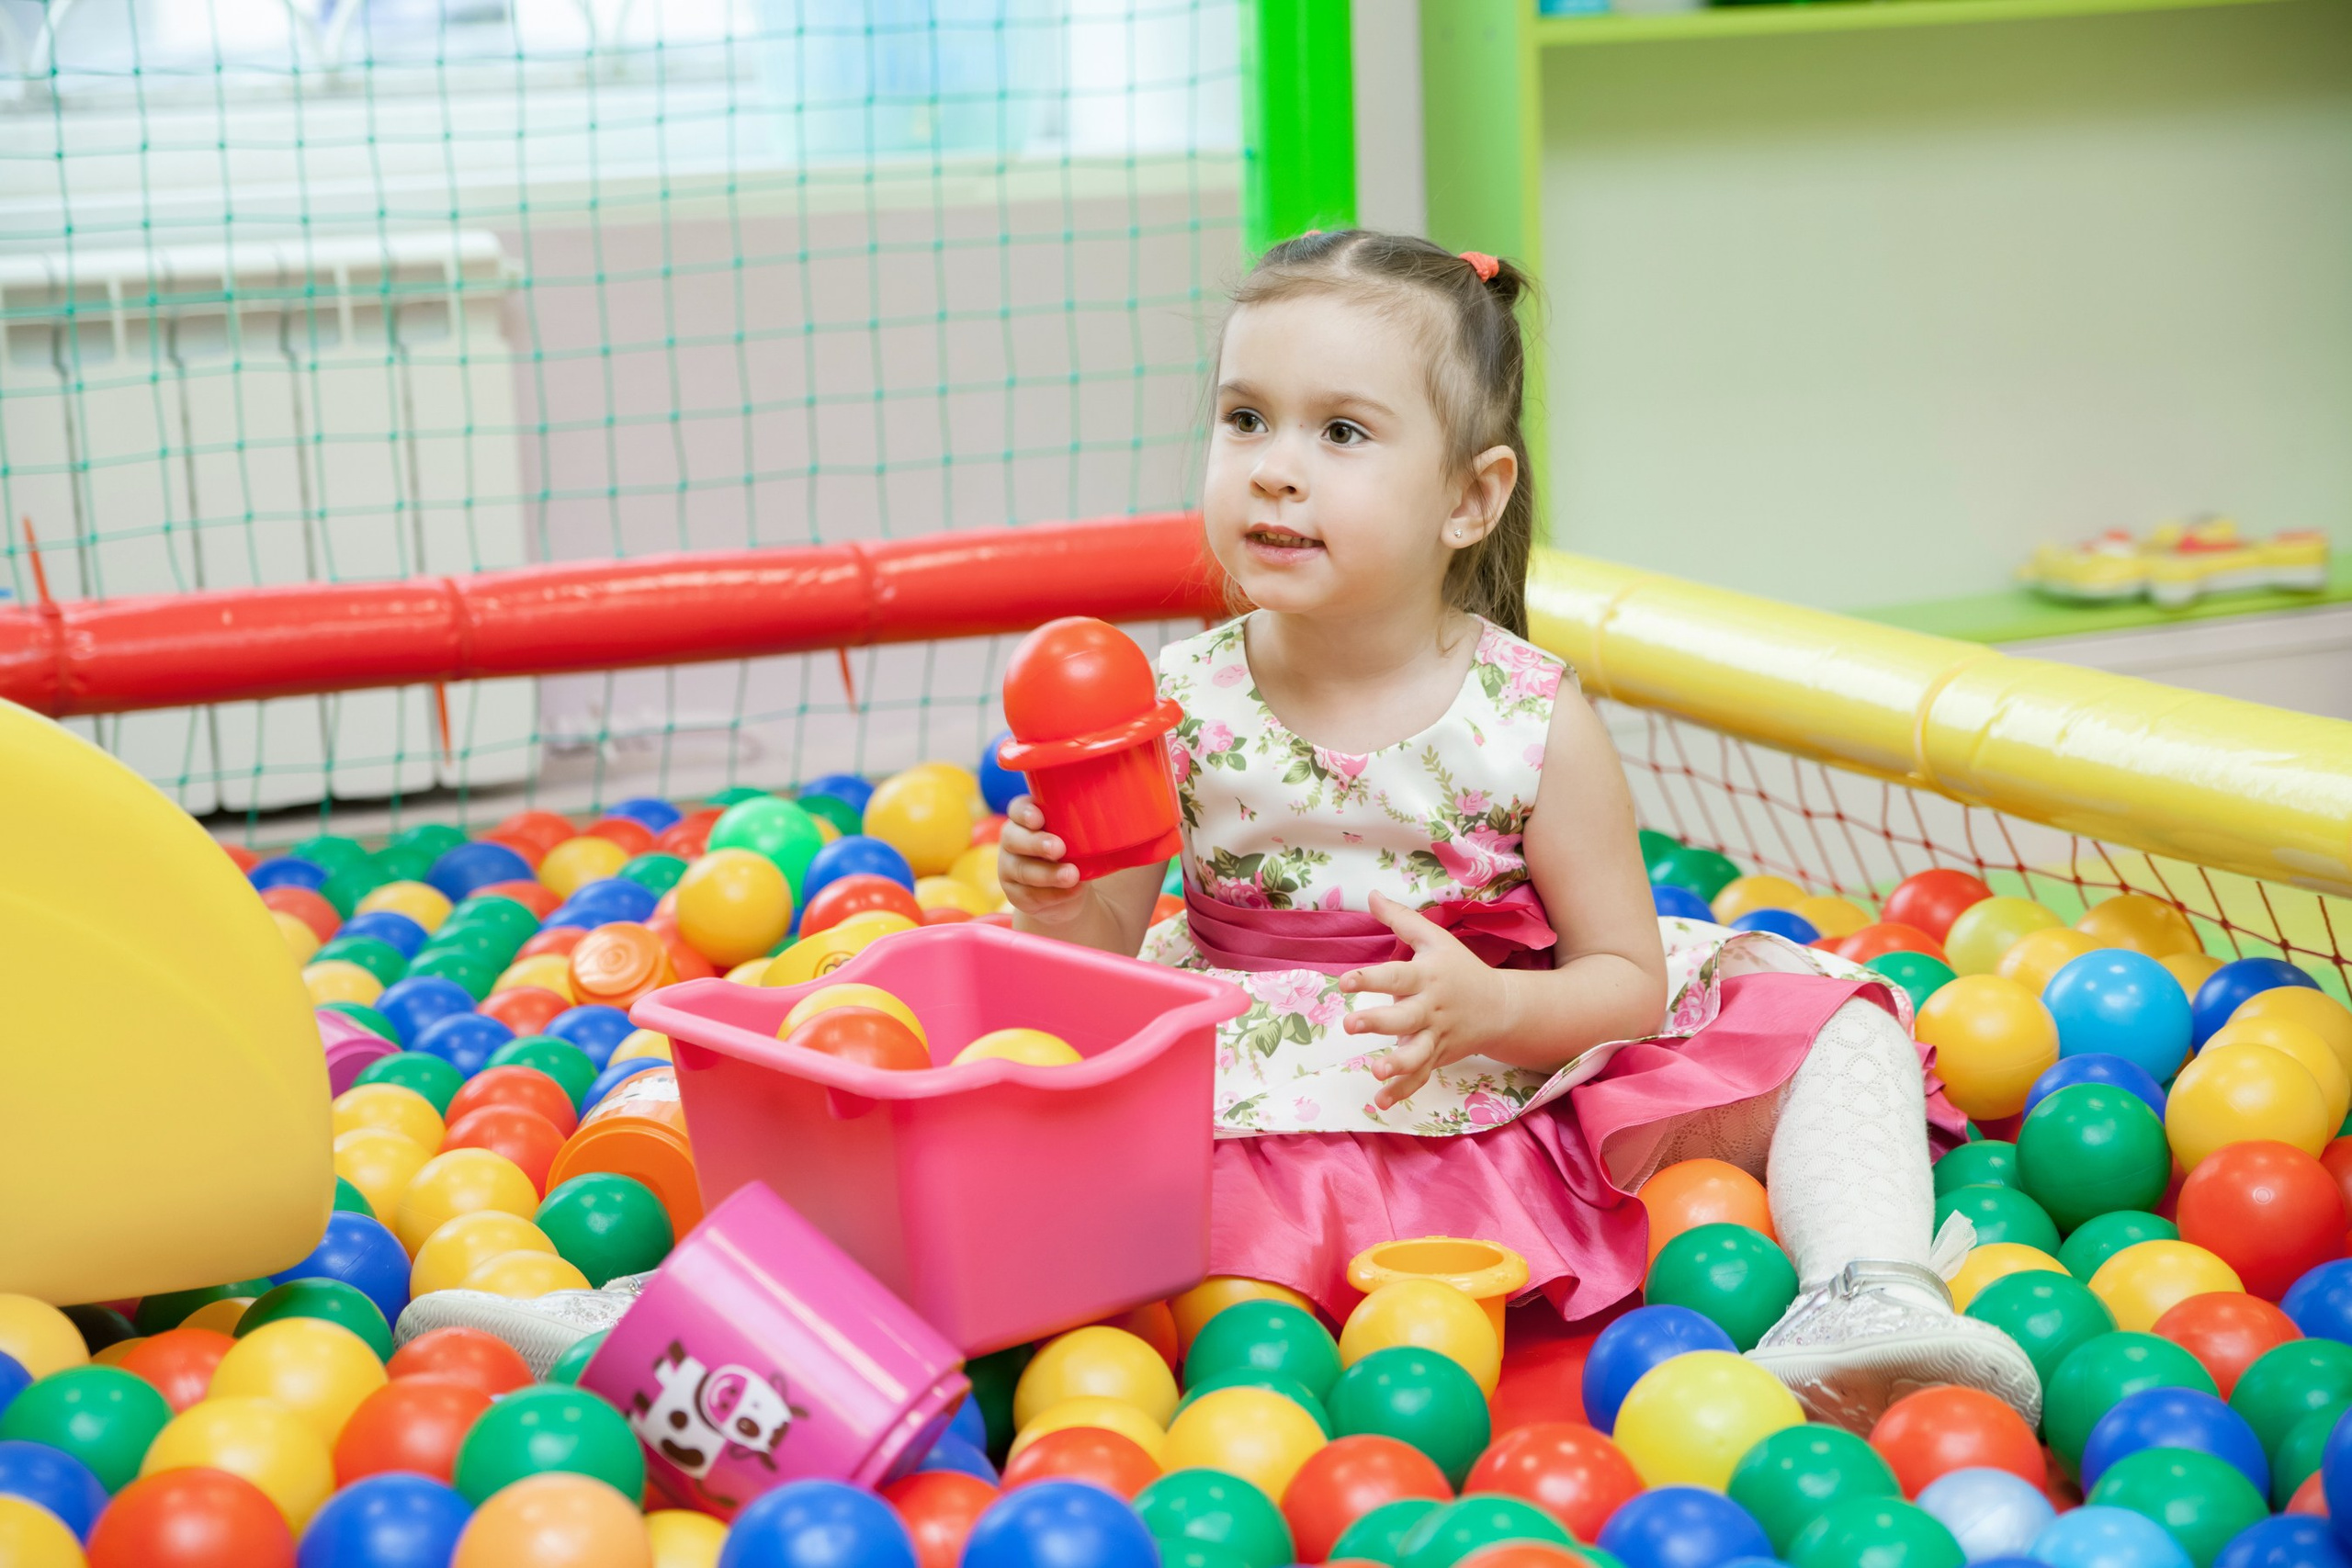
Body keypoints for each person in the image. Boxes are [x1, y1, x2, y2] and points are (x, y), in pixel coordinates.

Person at [997, 229, 2036, 1431]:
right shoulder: (1181, 695)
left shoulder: (1526, 714)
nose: (1277, 470)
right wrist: (1057, 906)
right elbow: (1104, 970)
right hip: (1257, 1085)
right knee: (1047, 1149)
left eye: (1340, 433)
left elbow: (1628, 982)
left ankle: (1868, 1284)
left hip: (1500, 1062)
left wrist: (1496, 1012)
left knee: (1841, 1021)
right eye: (1245, 420)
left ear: (1470, 497)